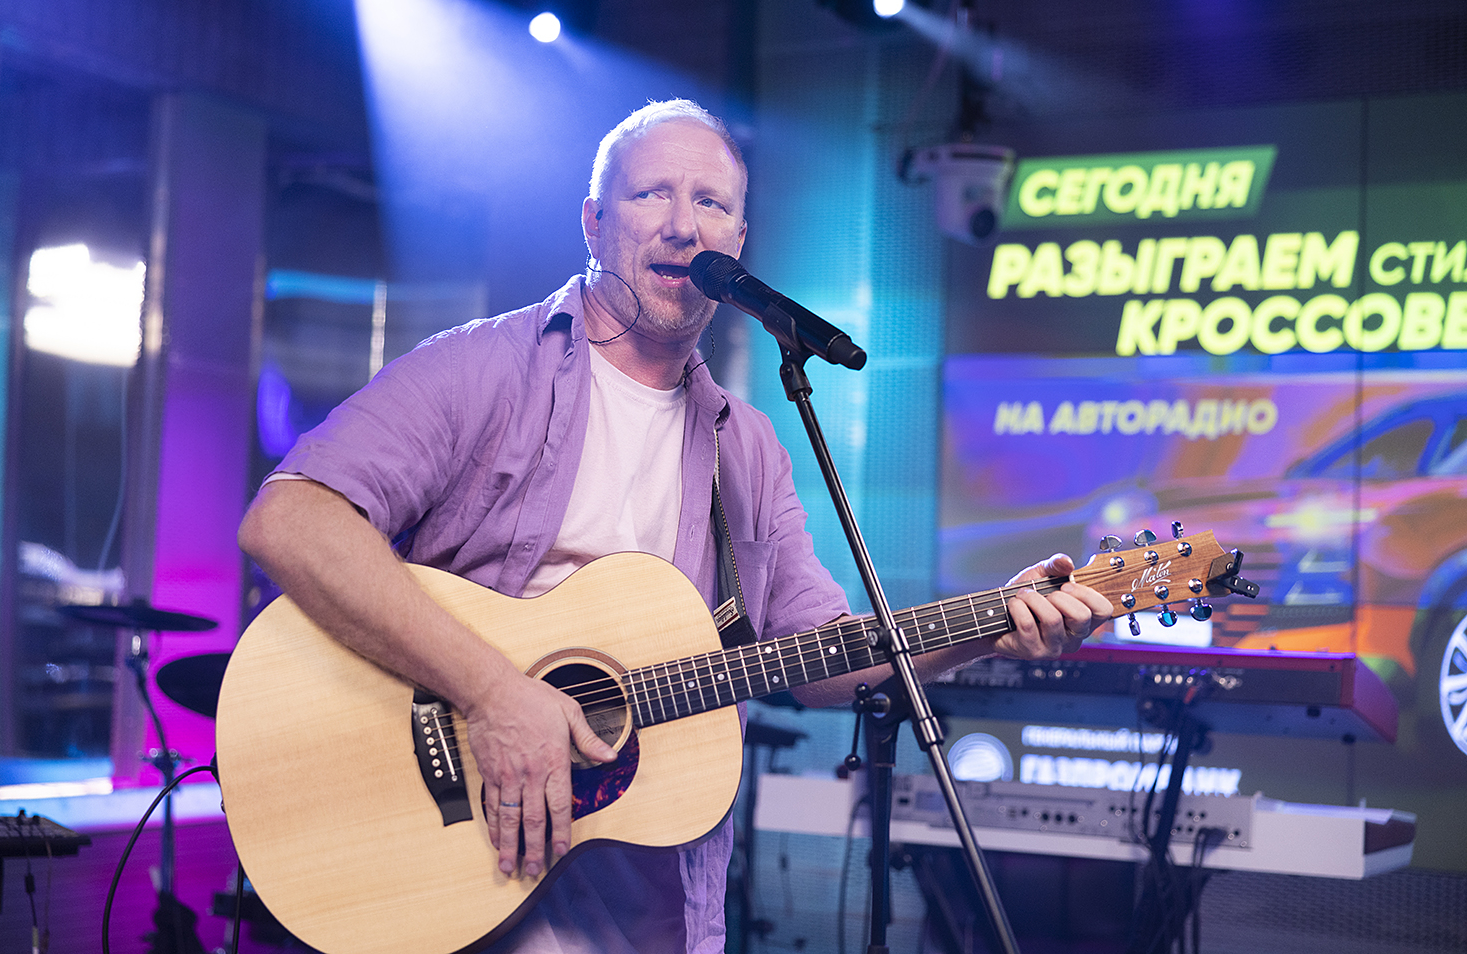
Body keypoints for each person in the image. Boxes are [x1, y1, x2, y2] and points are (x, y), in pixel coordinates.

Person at [237, 99, 1113, 953]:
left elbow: (822, 659)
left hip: (647, 891)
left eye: (711, 204)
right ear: (593, 222)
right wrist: (495, 692)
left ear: (738, 242)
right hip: (457, 845)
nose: (683, 225)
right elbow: (292, 519)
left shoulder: (749, 446)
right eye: (652, 193)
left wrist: (993, 623)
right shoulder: (484, 368)